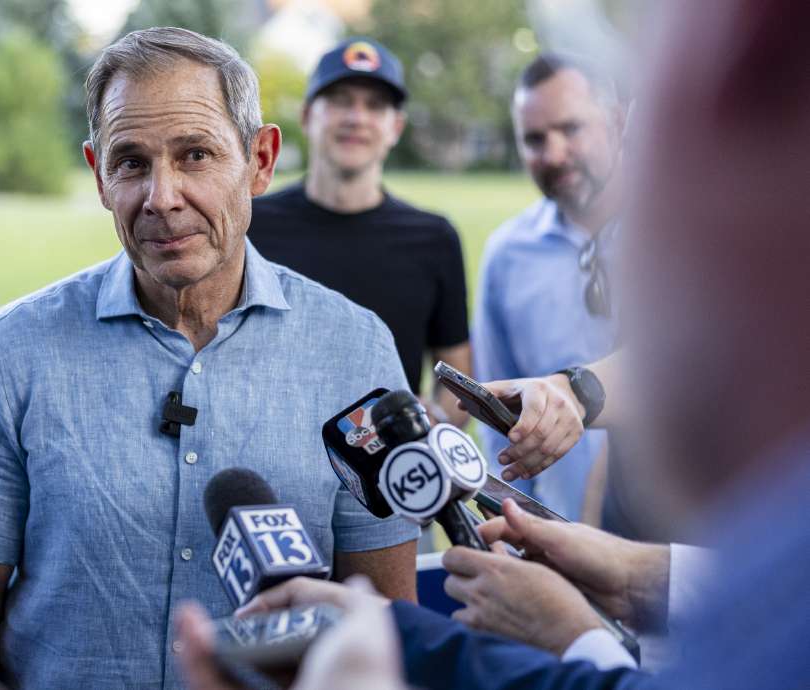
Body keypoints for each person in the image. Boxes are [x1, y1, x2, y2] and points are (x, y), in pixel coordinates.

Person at [182, 0, 810, 685]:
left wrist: (573, 629)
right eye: (535, 136)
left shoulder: (432, 237)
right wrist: (624, 573)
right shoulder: (506, 252)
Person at [0, 27, 419, 688]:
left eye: (195, 155)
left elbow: (384, 614)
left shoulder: (355, 351)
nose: (162, 197)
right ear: (99, 173)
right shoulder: (15, 351)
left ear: (261, 160)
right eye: (131, 161)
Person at [249, 38, 471, 427]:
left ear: (396, 126)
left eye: (375, 105)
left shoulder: (434, 238)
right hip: (266, 458)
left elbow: (456, 376)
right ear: (306, 116)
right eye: (340, 100)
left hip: (382, 470)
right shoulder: (251, 223)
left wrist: (432, 419)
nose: (356, 117)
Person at [472, 53, 627, 522]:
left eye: (571, 129)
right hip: (559, 538)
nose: (555, 154)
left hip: (674, 539)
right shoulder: (507, 254)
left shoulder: (681, 232)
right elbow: (495, 417)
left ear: (617, 122)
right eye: (535, 139)